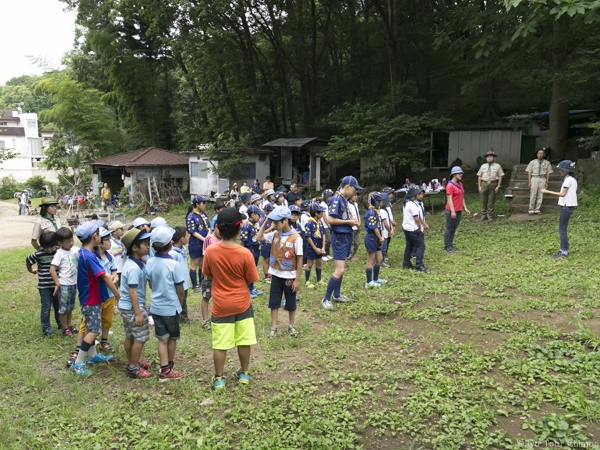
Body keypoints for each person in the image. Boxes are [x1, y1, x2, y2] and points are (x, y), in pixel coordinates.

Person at [202, 208, 260, 389]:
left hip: (220, 304)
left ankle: (219, 379)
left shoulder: (211, 251)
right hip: (242, 303)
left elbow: (207, 273)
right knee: (244, 340)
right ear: (239, 228)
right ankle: (244, 374)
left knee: (220, 344)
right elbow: (251, 278)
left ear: (218, 228)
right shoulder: (245, 253)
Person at [71, 221, 120, 376]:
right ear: (94, 236)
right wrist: (118, 296)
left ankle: (92, 356)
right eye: (99, 233)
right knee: (94, 330)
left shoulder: (84, 253)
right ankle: (78, 363)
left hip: (92, 297)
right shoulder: (89, 256)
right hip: (91, 299)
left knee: (92, 327)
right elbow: (105, 277)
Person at [146, 226, 186, 381]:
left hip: (155, 307)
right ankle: (169, 367)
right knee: (172, 338)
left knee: (162, 338)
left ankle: (164, 369)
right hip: (171, 308)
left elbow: (150, 284)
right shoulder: (173, 265)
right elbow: (180, 290)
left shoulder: (149, 262)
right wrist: (180, 304)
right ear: (170, 244)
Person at [256, 206, 303, 338]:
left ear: (285, 221)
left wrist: (297, 280)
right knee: (274, 301)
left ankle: (291, 325)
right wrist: (266, 221)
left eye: (276, 222)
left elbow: (300, 260)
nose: (274, 225)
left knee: (291, 302)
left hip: (290, 276)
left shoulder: (296, 238)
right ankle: (273, 326)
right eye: (273, 222)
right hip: (276, 275)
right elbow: (259, 237)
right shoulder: (275, 234)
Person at [321, 176, 363, 310]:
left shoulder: (343, 199)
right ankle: (326, 298)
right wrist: (348, 222)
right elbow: (331, 220)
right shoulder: (336, 199)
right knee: (339, 270)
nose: (355, 192)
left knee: (342, 269)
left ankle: (337, 295)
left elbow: (341, 216)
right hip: (339, 238)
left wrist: (350, 219)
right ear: (347, 187)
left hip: (346, 236)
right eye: (354, 189)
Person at [118, 228, 152, 379]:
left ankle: (133, 361)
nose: (148, 246)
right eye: (145, 244)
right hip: (133, 308)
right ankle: (133, 367)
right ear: (134, 248)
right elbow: (133, 292)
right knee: (141, 337)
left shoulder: (135, 262)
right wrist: (138, 313)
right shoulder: (133, 268)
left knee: (130, 335)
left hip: (126, 307)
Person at [541, 160, 578, 259]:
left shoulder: (568, 180)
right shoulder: (572, 179)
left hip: (566, 206)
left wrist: (546, 191)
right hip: (568, 206)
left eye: (561, 170)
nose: (560, 171)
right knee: (562, 229)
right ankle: (563, 250)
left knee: (562, 229)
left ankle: (564, 251)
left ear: (566, 170)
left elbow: (562, 194)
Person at [26, 231, 60, 336]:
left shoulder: (59, 251)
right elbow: (28, 260)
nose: (49, 250)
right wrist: (30, 270)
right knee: (46, 306)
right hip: (44, 286)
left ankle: (61, 324)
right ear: (42, 246)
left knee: (58, 306)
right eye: (46, 247)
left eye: (51, 247)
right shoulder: (39, 253)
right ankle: (46, 327)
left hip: (57, 285)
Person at [93, 227, 119, 353]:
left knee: (107, 319)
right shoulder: (93, 258)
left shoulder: (110, 257)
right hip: (97, 295)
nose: (110, 242)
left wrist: (113, 278)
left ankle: (104, 341)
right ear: (99, 242)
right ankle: (89, 341)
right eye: (107, 240)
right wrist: (110, 279)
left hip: (109, 294)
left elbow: (114, 273)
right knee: (93, 319)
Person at [49, 228, 79, 337]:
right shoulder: (59, 253)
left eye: (72, 240)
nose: (71, 243)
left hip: (73, 283)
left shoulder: (75, 250)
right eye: (68, 242)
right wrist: (57, 283)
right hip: (64, 284)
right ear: (60, 243)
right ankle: (64, 328)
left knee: (70, 307)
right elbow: (52, 269)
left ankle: (69, 325)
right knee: (63, 309)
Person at [402, 187, 430, 272]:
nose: (421, 195)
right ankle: (419, 265)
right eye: (419, 194)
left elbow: (418, 216)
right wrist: (420, 228)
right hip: (412, 229)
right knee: (421, 245)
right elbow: (416, 219)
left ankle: (406, 263)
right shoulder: (412, 205)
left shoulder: (409, 203)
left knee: (409, 245)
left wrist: (424, 224)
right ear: (414, 195)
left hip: (406, 228)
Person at [363, 192, 387, 288]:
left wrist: (381, 237)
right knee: (370, 260)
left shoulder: (376, 211)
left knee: (379, 259)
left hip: (376, 237)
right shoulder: (371, 213)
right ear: (376, 202)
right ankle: (369, 282)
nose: (382, 201)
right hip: (372, 237)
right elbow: (374, 228)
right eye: (381, 200)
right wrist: (380, 237)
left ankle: (376, 278)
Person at [186, 195, 210, 291]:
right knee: (194, 264)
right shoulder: (191, 216)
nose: (205, 205)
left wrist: (208, 236)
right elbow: (193, 232)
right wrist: (204, 240)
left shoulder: (203, 214)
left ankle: (201, 283)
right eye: (203, 203)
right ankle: (195, 285)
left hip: (204, 241)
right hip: (196, 242)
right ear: (197, 204)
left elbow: (208, 227)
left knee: (202, 263)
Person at [444, 166, 471, 252]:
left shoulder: (460, 184)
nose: (461, 175)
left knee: (454, 228)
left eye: (461, 173)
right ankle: (447, 246)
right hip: (451, 210)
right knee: (449, 228)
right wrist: (452, 211)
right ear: (454, 174)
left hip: (459, 210)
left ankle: (450, 244)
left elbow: (462, 197)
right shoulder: (449, 185)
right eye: (459, 173)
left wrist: (465, 208)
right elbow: (449, 199)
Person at [200, 224, 221, 330]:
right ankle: (205, 320)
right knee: (206, 296)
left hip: (220, 273)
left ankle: (217, 318)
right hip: (209, 274)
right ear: (216, 227)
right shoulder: (209, 239)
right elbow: (205, 256)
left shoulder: (224, 239)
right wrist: (206, 272)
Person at [240, 205, 263, 298]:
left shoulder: (254, 225)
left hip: (256, 249)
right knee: (248, 271)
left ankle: (251, 288)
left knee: (253, 270)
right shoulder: (247, 226)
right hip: (250, 250)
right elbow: (242, 241)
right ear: (253, 215)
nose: (260, 217)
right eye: (258, 215)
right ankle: (247, 290)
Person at [169, 226, 192, 323]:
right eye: (187, 236)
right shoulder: (173, 253)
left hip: (184, 281)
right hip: (177, 282)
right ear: (182, 239)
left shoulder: (183, 249)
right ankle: (176, 318)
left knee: (184, 299)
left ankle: (184, 316)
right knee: (177, 300)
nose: (188, 238)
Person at [476, 150, 504, 222]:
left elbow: (500, 176)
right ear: (486, 158)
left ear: (494, 158)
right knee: (483, 200)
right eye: (488, 157)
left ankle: (490, 215)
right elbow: (479, 176)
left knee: (491, 200)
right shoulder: (483, 166)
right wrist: (479, 186)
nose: (489, 158)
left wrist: (498, 186)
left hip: (493, 184)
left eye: (491, 157)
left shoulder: (498, 166)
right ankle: (483, 215)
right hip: (484, 184)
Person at [304, 202, 326, 289]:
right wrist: (315, 248)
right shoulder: (309, 223)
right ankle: (307, 281)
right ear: (316, 213)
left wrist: (323, 247)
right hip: (312, 246)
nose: (322, 213)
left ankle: (319, 279)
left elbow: (323, 234)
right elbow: (308, 237)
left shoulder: (320, 223)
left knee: (319, 263)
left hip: (319, 244)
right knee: (309, 264)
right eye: (321, 212)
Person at [526, 148, 553, 215]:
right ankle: (531, 209)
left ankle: (537, 209)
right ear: (537, 154)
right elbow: (529, 172)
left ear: (544, 154)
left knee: (540, 195)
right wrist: (529, 181)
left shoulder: (547, 163)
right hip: (534, 178)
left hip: (542, 178)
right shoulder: (532, 162)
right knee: (533, 194)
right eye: (539, 153)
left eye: (542, 153)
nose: (540, 155)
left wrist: (547, 182)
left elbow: (548, 173)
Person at [259, 203, 275, 284]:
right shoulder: (263, 221)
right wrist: (271, 228)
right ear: (267, 211)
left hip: (273, 242)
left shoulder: (275, 220)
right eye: (270, 211)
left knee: (272, 259)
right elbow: (261, 233)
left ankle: (271, 273)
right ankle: (266, 276)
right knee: (266, 259)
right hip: (265, 242)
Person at [108, 221, 126, 286]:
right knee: (115, 287)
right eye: (121, 229)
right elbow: (107, 255)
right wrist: (117, 252)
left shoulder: (122, 241)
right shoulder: (110, 242)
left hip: (123, 268)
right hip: (115, 270)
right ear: (115, 232)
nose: (123, 230)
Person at [319, 190, 333, 261]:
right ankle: (323, 254)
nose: (330, 197)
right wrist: (328, 224)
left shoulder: (328, 203)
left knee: (329, 240)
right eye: (329, 196)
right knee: (327, 240)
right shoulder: (323, 204)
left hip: (328, 224)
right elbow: (324, 215)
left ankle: (327, 253)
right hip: (325, 225)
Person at [379, 197, 393, 267]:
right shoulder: (382, 211)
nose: (389, 203)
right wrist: (390, 230)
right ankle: (380, 262)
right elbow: (385, 223)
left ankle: (381, 261)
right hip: (384, 232)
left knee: (383, 248)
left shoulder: (384, 210)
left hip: (385, 232)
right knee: (383, 249)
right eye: (388, 202)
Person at [347, 192, 361, 261]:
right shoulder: (347, 204)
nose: (356, 197)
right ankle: (350, 256)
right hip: (352, 226)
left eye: (356, 195)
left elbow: (357, 214)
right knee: (351, 242)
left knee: (357, 242)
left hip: (357, 226)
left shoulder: (355, 204)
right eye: (354, 195)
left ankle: (353, 254)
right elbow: (349, 216)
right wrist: (355, 223)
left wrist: (359, 222)